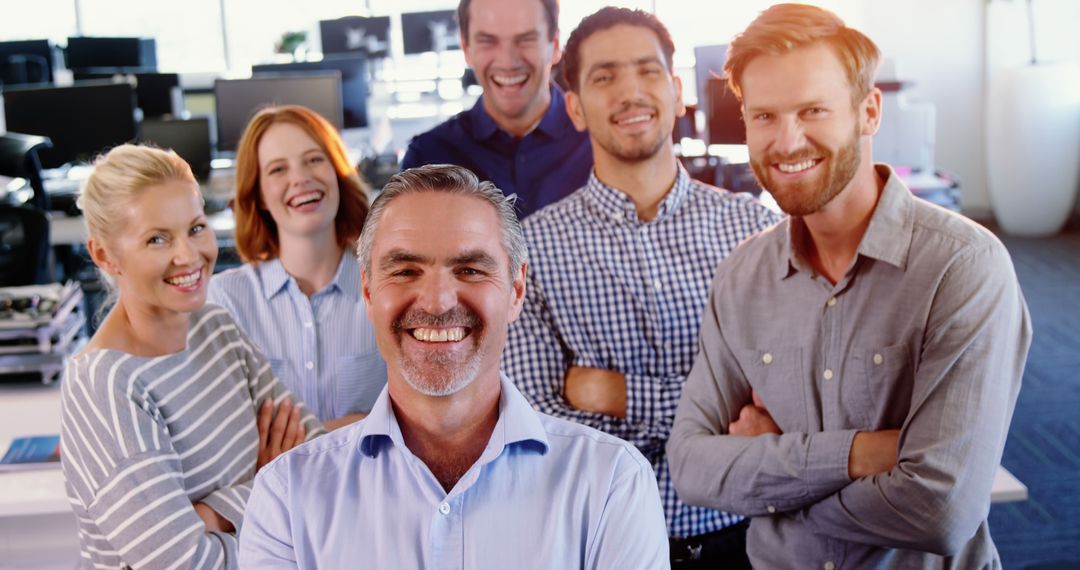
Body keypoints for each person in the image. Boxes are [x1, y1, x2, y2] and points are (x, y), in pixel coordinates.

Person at [666, 4, 1032, 568]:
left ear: (869, 111)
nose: (787, 141)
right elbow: (690, 468)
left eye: (813, 110)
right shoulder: (743, 276)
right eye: (763, 116)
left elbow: (940, 511)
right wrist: (862, 453)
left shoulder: (962, 267)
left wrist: (771, 480)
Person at [239, 164, 669, 569]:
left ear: (516, 290)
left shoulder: (612, 481)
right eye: (406, 271)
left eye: (469, 269)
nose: (438, 301)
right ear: (368, 292)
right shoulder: (287, 496)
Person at [501, 8, 779, 567]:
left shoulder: (754, 231)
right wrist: (716, 421)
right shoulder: (526, 251)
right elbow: (546, 431)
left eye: (648, 72)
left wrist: (616, 395)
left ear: (675, 91)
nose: (631, 92)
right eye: (604, 77)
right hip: (605, 541)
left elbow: (783, 403)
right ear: (575, 107)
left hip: (749, 536)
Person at [60, 144, 324, 569]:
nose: (188, 256)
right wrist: (270, 485)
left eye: (196, 228)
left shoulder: (214, 326)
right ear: (104, 256)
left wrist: (213, 512)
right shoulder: (106, 386)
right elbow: (188, 566)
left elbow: (318, 461)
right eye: (157, 239)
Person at [208, 105, 386, 429]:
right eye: (277, 170)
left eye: (314, 160)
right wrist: (360, 425)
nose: (301, 178)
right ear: (259, 195)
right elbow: (230, 439)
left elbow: (414, 423)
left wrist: (293, 441)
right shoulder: (226, 301)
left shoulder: (386, 287)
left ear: (337, 171)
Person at [399, 0, 592, 218]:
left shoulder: (599, 141)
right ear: (466, 49)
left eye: (526, 39)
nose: (508, 61)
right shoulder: (428, 158)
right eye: (487, 41)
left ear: (555, 44)